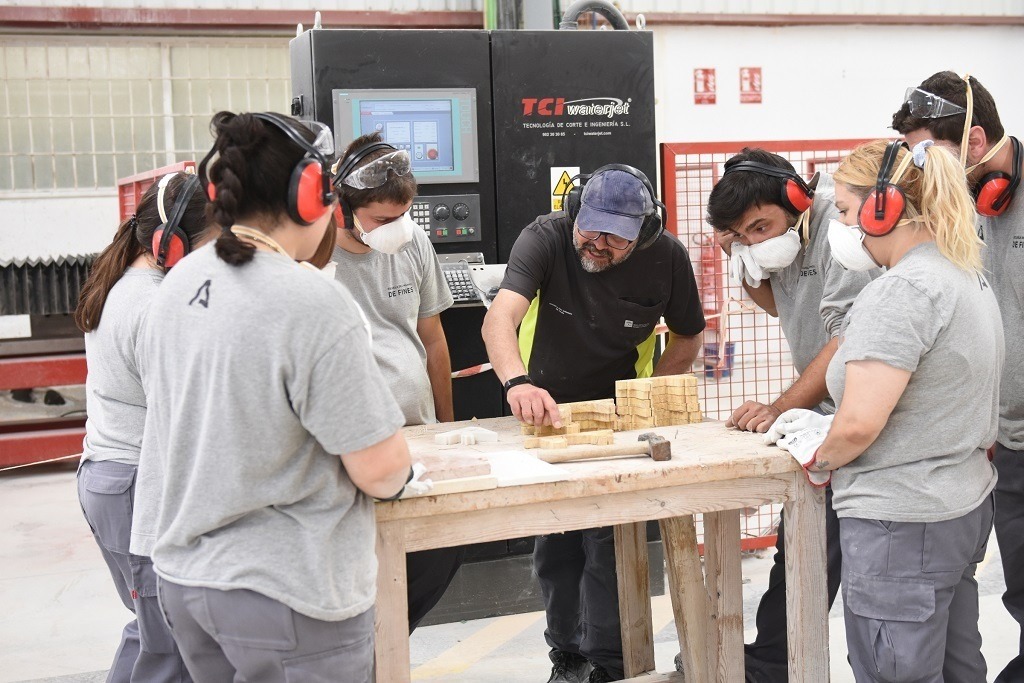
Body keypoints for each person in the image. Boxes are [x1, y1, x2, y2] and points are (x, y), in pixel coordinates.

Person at [134, 111, 413, 682]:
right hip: (287, 593)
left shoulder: (177, 284)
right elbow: (381, 471)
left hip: (189, 584)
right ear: (313, 195)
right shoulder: (311, 302)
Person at [769, 139, 1003, 681]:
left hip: (901, 521)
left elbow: (857, 424)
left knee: (893, 670)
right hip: (956, 503)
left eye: (847, 212)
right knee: (955, 666)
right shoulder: (964, 274)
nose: (843, 227)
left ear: (885, 209)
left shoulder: (901, 292)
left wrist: (819, 453)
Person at [481, 165, 705, 683]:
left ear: (644, 233)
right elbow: (500, 318)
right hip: (547, 408)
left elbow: (689, 336)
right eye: (590, 228)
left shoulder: (666, 256)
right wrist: (517, 384)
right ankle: (567, 655)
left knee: (611, 545)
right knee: (556, 544)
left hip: (620, 418)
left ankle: (612, 662)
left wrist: (648, 396)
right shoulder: (546, 237)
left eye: (615, 237)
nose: (597, 243)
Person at [702, 150, 876, 681]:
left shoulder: (838, 232)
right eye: (743, 232)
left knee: (855, 561)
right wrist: (741, 256)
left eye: (761, 226)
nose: (756, 238)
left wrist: (780, 407)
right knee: (801, 549)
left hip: (861, 412)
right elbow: (777, 303)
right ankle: (772, 661)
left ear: (796, 197)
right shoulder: (771, 243)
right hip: (824, 411)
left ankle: (778, 663)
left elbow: (847, 340)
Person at [892, 72, 1024, 683]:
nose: (921, 172)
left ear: (973, 140)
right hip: (998, 442)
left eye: (928, 153)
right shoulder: (956, 211)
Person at [74, 171, 210, 682]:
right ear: (169, 244)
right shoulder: (154, 307)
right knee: (170, 642)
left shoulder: (127, 283)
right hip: (137, 487)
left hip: (113, 478)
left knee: (154, 628)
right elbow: (182, 419)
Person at [331, 132, 464, 631]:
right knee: (362, 574)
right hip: (353, 447)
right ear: (344, 208)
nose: (396, 229)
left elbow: (433, 339)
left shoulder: (414, 244)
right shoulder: (315, 258)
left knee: (443, 547)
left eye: (404, 215)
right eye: (383, 220)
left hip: (417, 436)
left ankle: (383, 645)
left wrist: (444, 427)